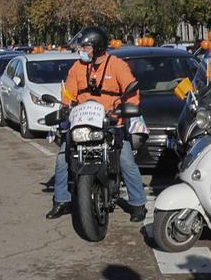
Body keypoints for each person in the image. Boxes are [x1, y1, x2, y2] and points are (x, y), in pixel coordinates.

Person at [45, 26, 147, 224]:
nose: (82, 50)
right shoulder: (77, 67)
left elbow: (132, 91)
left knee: (126, 160)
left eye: (86, 47)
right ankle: (62, 200)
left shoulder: (117, 65)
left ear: (98, 47)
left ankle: (138, 203)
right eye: (82, 47)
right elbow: (69, 93)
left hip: (111, 122)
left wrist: (127, 108)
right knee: (62, 158)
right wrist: (65, 107)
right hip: (82, 122)